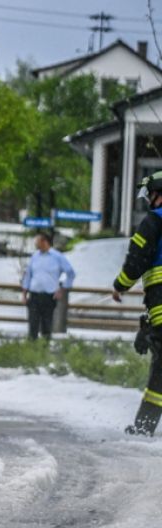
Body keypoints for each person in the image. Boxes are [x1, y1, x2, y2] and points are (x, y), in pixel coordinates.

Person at [112, 171, 162, 435]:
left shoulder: (154, 222)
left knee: (161, 373)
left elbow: (137, 260)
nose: (150, 201)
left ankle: (144, 428)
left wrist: (120, 285)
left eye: (151, 194)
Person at [20, 231, 75, 341]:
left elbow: (70, 273)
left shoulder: (57, 257)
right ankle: (31, 349)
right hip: (34, 295)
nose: (35, 243)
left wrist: (62, 289)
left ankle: (44, 349)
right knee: (33, 324)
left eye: (37, 241)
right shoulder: (34, 256)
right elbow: (28, 275)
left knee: (46, 325)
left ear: (44, 242)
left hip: (49, 296)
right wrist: (24, 293)